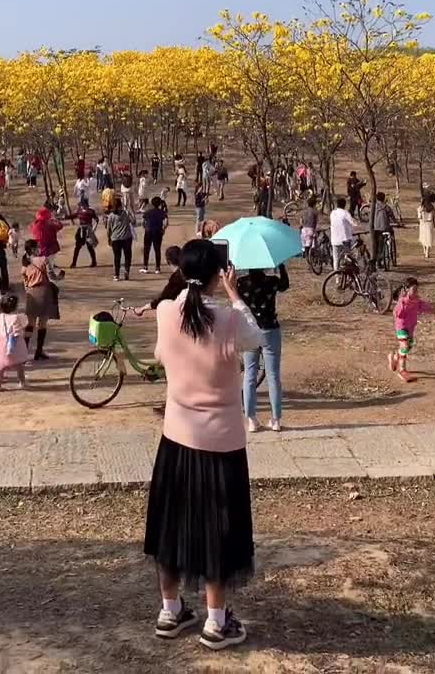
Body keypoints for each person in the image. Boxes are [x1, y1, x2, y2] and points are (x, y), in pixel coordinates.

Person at [144, 240, 260, 650]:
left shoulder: (164, 312)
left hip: (176, 437)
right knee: (217, 529)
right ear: (218, 274)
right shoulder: (229, 320)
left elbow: (161, 355)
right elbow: (256, 338)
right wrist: (234, 293)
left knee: (171, 525)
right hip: (221, 442)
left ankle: (170, 611)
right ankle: (216, 621)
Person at [238, 264, 290, 432]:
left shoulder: (242, 283)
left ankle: (251, 418)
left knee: (250, 374)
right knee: (273, 375)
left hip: (250, 330)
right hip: (270, 329)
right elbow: (285, 285)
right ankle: (276, 419)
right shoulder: (272, 281)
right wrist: (281, 267)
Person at [388, 277, 435, 383]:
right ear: (406, 290)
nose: (415, 292)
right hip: (401, 327)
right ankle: (402, 370)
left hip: (411, 327)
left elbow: (422, 306)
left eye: (416, 289)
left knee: (408, 347)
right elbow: (397, 313)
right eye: (413, 290)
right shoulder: (403, 301)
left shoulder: (416, 300)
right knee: (404, 346)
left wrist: (433, 309)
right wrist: (402, 303)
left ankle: (394, 357)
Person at [21, 241, 60, 360]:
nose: (39, 249)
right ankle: (39, 351)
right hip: (44, 293)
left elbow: (25, 283)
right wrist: (60, 276)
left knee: (30, 324)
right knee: (42, 324)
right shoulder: (44, 260)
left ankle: (23, 352)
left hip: (31, 294)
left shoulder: (24, 264)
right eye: (37, 247)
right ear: (33, 249)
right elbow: (52, 276)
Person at [0, 292, 28, 391]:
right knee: (19, 364)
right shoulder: (17, 317)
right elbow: (18, 331)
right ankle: (22, 382)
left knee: (0, 366)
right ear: (15, 307)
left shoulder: (1, 316)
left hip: (1, 343)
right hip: (15, 344)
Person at [106, 198, 135, 282]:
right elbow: (133, 222)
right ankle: (127, 271)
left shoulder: (111, 216)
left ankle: (116, 275)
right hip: (127, 238)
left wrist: (109, 239)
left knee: (117, 257)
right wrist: (131, 212)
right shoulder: (125, 213)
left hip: (115, 239)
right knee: (127, 256)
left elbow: (109, 229)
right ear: (120, 205)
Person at [330, 196, 356, 272]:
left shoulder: (332, 213)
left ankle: (337, 277)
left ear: (337, 205)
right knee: (347, 258)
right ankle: (347, 276)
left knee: (336, 259)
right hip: (345, 239)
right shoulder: (345, 213)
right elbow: (354, 223)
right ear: (344, 205)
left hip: (334, 240)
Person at [141, 197, 167, 274]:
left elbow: (143, 222)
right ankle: (157, 268)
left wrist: (145, 227)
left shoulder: (148, 212)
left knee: (146, 249)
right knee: (157, 249)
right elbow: (166, 222)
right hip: (158, 232)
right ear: (159, 204)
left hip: (148, 231)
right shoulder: (162, 212)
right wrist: (163, 229)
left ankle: (145, 267)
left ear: (152, 203)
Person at [71, 202, 99, 268]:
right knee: (77, 247)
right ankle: (74, 263)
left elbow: (96, 219)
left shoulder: (90, 211)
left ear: (86, 205)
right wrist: (64, 216)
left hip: (88, 230)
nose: (82, 207)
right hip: (81, 230)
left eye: (83, 205)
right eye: (81, 205)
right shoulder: (79, 211)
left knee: (90, 247)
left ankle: (94, 262)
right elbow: (72, 216)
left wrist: (94, 227)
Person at [417, 193, 435, 260]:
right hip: (430, 224)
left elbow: (419, 217)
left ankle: (424, 250)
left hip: (423, 224)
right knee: (429, 238)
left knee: (423, 238)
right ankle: (427, 252)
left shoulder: (421, 207)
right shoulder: (432, 207)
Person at [372, 191, 392, 270]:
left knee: (376, 245)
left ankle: (376, 261)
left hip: (375, 228)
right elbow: (392, 215)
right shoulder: (386, 207)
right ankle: (380, 260)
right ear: (384, 198)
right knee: (382, 245)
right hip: (384, 228)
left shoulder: (373, 207)